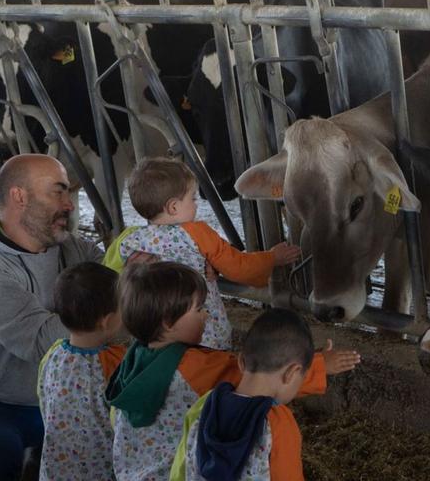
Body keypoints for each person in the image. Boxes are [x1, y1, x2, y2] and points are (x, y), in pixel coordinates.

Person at [105, 262, 359, 480]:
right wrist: (319, 366)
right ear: (168, 323)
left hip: (133, 471)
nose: (206, 315)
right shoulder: (193, 366)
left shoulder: (131, 360)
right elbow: (262, 375)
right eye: (198, 309)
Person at [0, 155, 103, 481]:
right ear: (20, 197)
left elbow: (120, 274)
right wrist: (112, 304)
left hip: (61, 396)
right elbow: (42, 341)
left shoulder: (71, 248)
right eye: (58, 192)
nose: (69, 205)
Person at [103, 157, 302, 350]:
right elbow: (238, 266)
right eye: (193, 198)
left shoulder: (128, 239)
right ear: (173, 207)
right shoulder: (198, 234)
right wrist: (272, 258)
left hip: (154, 333)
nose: (196, 204)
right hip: (202, 334)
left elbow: (108, 278)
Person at [170, 308, 356, 481]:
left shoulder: (205, 404)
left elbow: (180, 467)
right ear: (291, 373)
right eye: (302, 377)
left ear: (241, 361)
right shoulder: (277, 422)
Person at [37, 262, 125, 481]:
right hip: (102, 470)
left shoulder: (54, 353)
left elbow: (43, 397)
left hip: (56, 468)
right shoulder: (114, 362)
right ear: (107, 321)